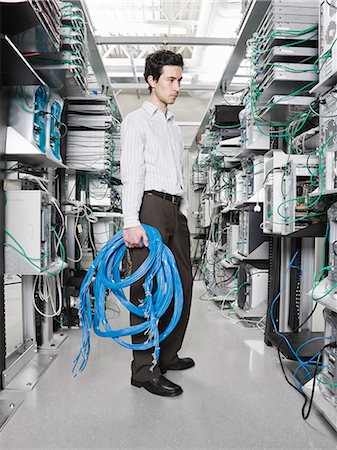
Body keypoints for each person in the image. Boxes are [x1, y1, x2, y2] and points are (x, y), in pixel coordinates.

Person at [120, 50, 194, 397]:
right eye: (170, 80)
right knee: (147, 289)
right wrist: (130, 221)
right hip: (149, 208)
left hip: (174, 211)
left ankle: (167, 355)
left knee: (182, 282)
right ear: (152, 80)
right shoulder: (137, 121)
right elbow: (132, 172)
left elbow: (180, 174)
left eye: (179, 80)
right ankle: (144, 371)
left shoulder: (173, 125)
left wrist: (184, 211)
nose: (177, 86)